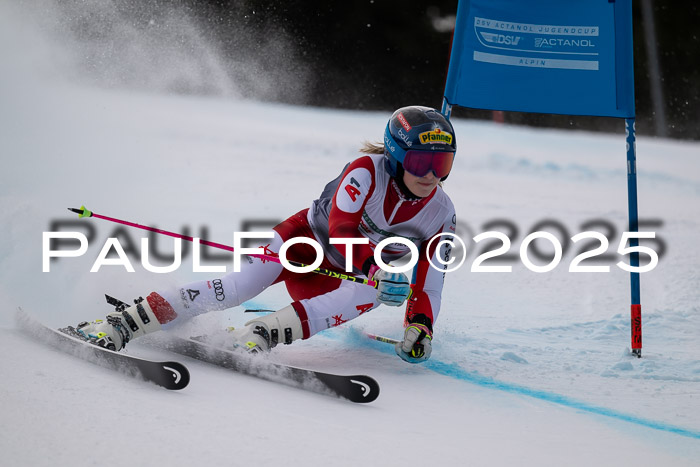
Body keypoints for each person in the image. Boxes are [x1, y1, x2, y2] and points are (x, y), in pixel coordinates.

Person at [73, 106, 457, 363]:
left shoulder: (441, 214)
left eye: (442, 164)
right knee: (239, 287)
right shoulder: (366, 170)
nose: (431, 176)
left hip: (336, 281)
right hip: (302, 243)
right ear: (395, 154)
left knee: (373, 291)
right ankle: (125, 322)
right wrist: (375, 264)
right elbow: (340, 228)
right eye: (422, 162)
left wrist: (420, 324)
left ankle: (261, 334)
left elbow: (431, 284)